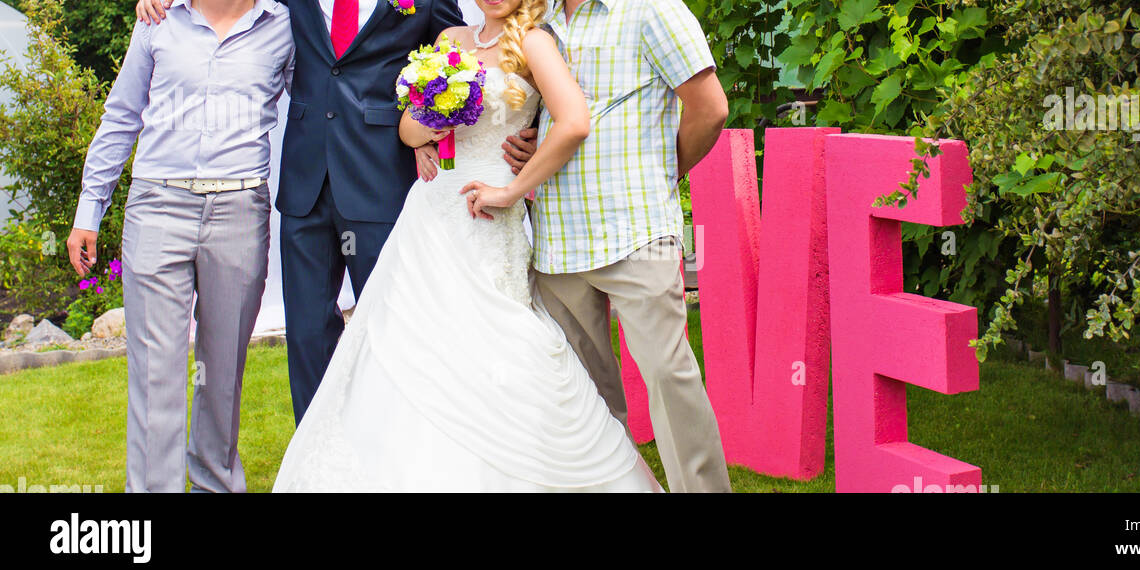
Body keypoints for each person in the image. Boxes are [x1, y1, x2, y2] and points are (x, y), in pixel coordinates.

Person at [272, 0, 661, 492]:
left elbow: (575, 122)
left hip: (489, 210)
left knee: (500, 335)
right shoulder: (451, 41)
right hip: (432, 210)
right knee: (407, 338)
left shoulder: (535, 43)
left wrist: (512, 190)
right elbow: (409, 126)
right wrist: (432, 123)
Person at [135, 0, 539, 425]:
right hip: (305, 184)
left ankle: (387, 450)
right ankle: (313, 460)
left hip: (381, 178)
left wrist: (521, 128)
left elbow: (465, 70)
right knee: (308, 334)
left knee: (387, 328)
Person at [474, 0, 732, 493]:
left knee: (668, 379)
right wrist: (533, 139)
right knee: (588, 404)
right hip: (557, 244)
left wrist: (661, 172)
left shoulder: (652, 9)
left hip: (634, 233)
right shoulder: (540, 19)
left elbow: (710, 107)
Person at [66, 0, 294, 492]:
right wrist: (90, 208)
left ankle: (215, 483)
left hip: (238, 210)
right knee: (156, 374)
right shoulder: (158, 19)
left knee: (222, 371)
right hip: (157, 207)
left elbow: (324, 101)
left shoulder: (283, 26)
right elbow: (122, 115)